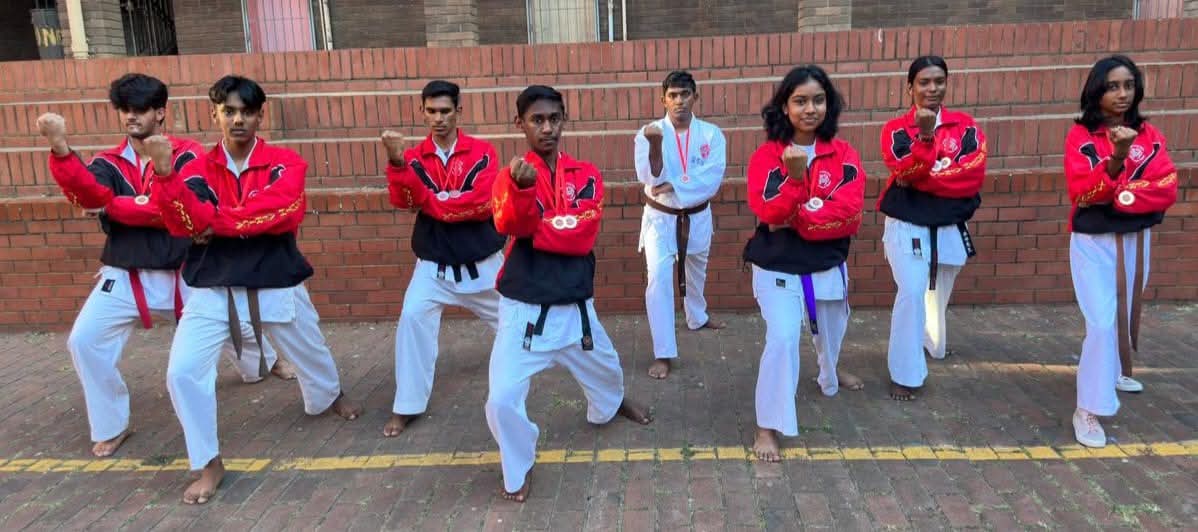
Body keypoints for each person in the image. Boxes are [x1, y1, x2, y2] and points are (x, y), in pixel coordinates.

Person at [34, 73, 292, 460]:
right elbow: (88, 194)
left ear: (160, 112)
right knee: (83, 341)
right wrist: (61, 151)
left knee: (238, 329)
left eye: (139, 110)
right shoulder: (107, 161)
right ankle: (111, 425)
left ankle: (265, 363)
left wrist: (116, 207)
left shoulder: (188, 154)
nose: (130, 117)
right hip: (126, 273)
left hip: (188, 269)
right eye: (124, 110)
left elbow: (170, 208)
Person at [150, 75, 362, 504]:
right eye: (229, 111)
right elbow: (181, 223)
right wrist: (166, 176)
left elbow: (279, 213)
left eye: (246, 111)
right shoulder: (193, 168)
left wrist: (213, 221)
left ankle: (329, 395)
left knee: (312, 352)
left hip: (275, 277)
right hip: (213, 288)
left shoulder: (286, 162)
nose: (238, 119)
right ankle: (209, 462)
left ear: (260, 115)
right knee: (181, 372)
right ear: (215, 115)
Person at [485, 85, 652, 502]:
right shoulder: (509, 176)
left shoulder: (587, 174)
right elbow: (510, 226)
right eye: (536, 120)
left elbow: (583, 236)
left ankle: (610, 405)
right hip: (525, 308)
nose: (546, 128)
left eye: (553, 119)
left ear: (564, 120)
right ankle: (517, 465)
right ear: (520, 124)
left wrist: (542, 227)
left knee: (608, 368)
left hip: (575, 304)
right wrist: (525, 197)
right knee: (502, 398)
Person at [743, 65, 866, 462]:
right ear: (784, 106)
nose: (809, 109)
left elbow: (849, 215)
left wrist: (797, 219)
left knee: (831, 331)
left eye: (817, 100)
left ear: (828, 105)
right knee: (782, 338)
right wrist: (797, 183)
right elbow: (766, 211)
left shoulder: (843, 154)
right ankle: (768, 424)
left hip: (827, 261)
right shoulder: (767, 156)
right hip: (776, 264)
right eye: (799, 101)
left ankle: (829, 370)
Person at [380, 80, 504, 437]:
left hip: (483, 264)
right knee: (412, 321)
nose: (438, 118)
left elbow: (481, 204)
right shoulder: (413, 157)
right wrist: (396, 162)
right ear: (423, 112)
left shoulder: (482, 152)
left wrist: (432, 201)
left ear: (458, 111)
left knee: (515, 326)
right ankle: (407, 406)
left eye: (445, 111)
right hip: (433, 268)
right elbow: (405, 203)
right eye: (431, 111)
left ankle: (511, 393)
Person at [1064, 55, 1177, 448]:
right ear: (1097, 91)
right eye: (1113, 86)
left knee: (1123, 316)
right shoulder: (1082, 136)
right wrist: (1116, 161)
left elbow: (1167, 186)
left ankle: (1112, 371)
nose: (1122, 94)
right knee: (1099, 322)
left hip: (1135, 240)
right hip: (1094, 242)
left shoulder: (1148, 133)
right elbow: (1084, 192)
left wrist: (1123, 197)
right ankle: (1088, 408)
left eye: (1129, 85)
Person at [877, 56, 988, 401]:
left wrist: (926, 179)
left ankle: (927, 344)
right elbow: (905, 173)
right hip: (906, 223)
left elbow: (971, 178)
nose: (932, 88)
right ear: (910, 87)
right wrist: (925, 140)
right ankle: (905, 374)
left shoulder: (965, 127)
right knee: (911, 292)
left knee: (935, 300)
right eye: (924, 82)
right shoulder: (896, 129)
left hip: (950, 225)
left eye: (939, 81)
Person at [633, 70, 727, 380]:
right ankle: (663, 351)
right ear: (663, 100)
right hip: (660, 218)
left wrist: (675, 183)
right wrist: (656, 147)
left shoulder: (712, 135)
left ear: (695, 97)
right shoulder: (647, 132)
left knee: (696, 269)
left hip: (697, 215)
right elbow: (649, 180)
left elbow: (712, 178)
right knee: (658, 279)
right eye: (672, 95)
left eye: (685, 94)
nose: (679, 101)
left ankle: (696, 317)